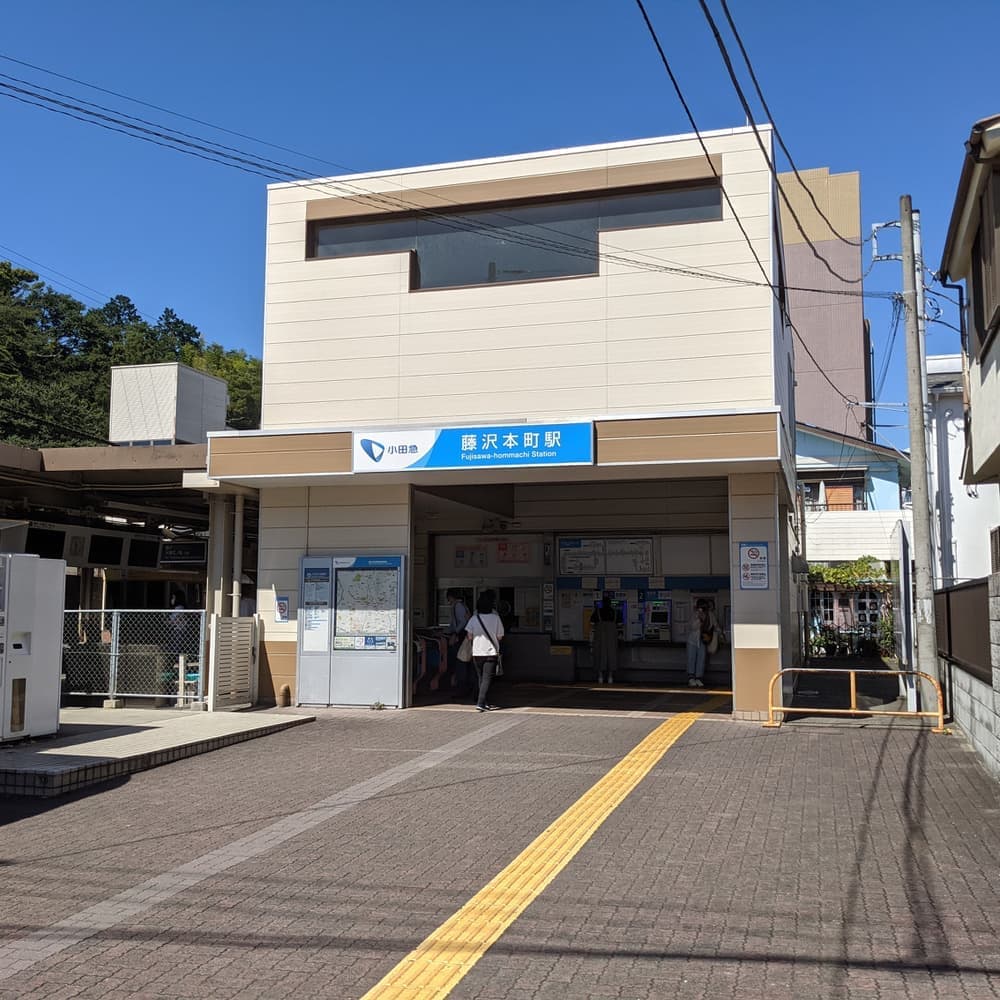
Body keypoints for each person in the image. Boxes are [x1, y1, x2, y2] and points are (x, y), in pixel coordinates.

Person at [464, 593, 504, 712]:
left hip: (477, 652)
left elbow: (469, 636)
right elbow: (500, 636)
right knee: (486, 678)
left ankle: (484, 702)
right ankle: (481, 702)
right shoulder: (496, 618)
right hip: (491, 652)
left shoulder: (474, 618)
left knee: (480, 677)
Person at [445, 588, 472, 698]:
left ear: (451, 597)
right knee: (462, 662)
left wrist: (455, 633)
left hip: (460, 637)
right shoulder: (461, 606)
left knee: (460, 662)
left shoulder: (458, 606)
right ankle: (463, 686)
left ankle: (461, 688)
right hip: (461, 636)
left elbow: (462, 622)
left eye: (448, 598)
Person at [590, 597, 619, 684]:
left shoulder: (597, 612)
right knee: (611, 656)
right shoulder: (615, 612)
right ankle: (610, 677)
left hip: (600, 638)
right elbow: (620, 625)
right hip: (612, 639)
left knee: (599, 655)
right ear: (610, 603)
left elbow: (592, 623)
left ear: (602, 603)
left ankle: (600, 677)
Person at [687, 604, 708, 687]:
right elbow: (692, 627)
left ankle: (699, 678)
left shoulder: (709, 615)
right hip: (692, 641)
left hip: (703, 640)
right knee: (691, 658)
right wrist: (699, 619)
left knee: (701, 660)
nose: (700, 610)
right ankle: (691, 678)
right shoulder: (694, 615)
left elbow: (714, 625)